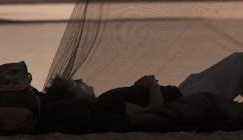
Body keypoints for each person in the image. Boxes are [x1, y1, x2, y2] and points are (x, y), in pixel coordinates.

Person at [41, 52, 243, 133]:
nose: (80, 80)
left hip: (183, 89)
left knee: (237, 58)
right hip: (189, 99)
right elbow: (154, 112)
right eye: (75, 84)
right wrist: (152, 85)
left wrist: (142, 87)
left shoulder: (104, 103)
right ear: (73, 99)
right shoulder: (104, 106)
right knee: (240, 61)